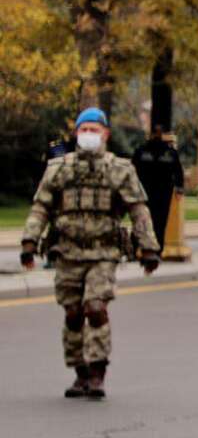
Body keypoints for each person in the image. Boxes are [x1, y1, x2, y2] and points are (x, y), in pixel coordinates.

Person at [19, 109, 160, 399]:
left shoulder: (120, 169)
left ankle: (98, 371)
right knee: (72, 314)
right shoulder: (59, 168)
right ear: (76, 133)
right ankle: (79, 371)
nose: (89, 135)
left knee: (95, 308)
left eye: (94, 129)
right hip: (67, 252)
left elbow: (138, 210)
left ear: (105, 134)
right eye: (84, 130)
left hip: (103, 252)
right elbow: (41, 206)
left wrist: (149, 248)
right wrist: (29, 242)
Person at [131, 124, 185, 255]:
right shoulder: (143, 151)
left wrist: (179, 188)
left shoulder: (167, 152)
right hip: (148, 192)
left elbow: (178, 171)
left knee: (157, 222)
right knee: (145, 221)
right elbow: (131, 171)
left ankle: (155, 250)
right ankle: (143, 248)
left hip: (159, 192)